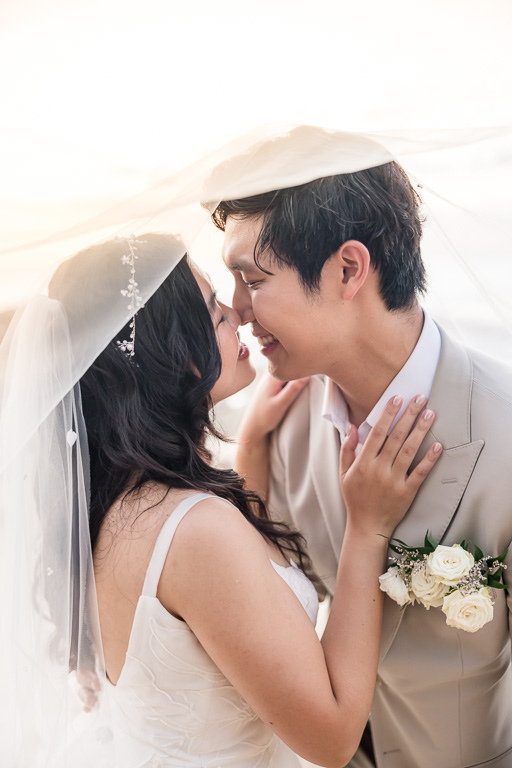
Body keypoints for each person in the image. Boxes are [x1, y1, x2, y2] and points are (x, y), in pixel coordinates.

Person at [44, 232, 439, 768]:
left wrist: (250, 444)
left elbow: (215, 610)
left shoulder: (114, 503)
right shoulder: (195, 533)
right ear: (172, 357)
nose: (238, 312)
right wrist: (367, 527)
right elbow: (332, 737)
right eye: (213, 310)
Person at [212, 160, 512, 768]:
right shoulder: (279, 424)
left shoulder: (504, 433)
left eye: (252, 279)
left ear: (349, 268)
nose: (237, 310)